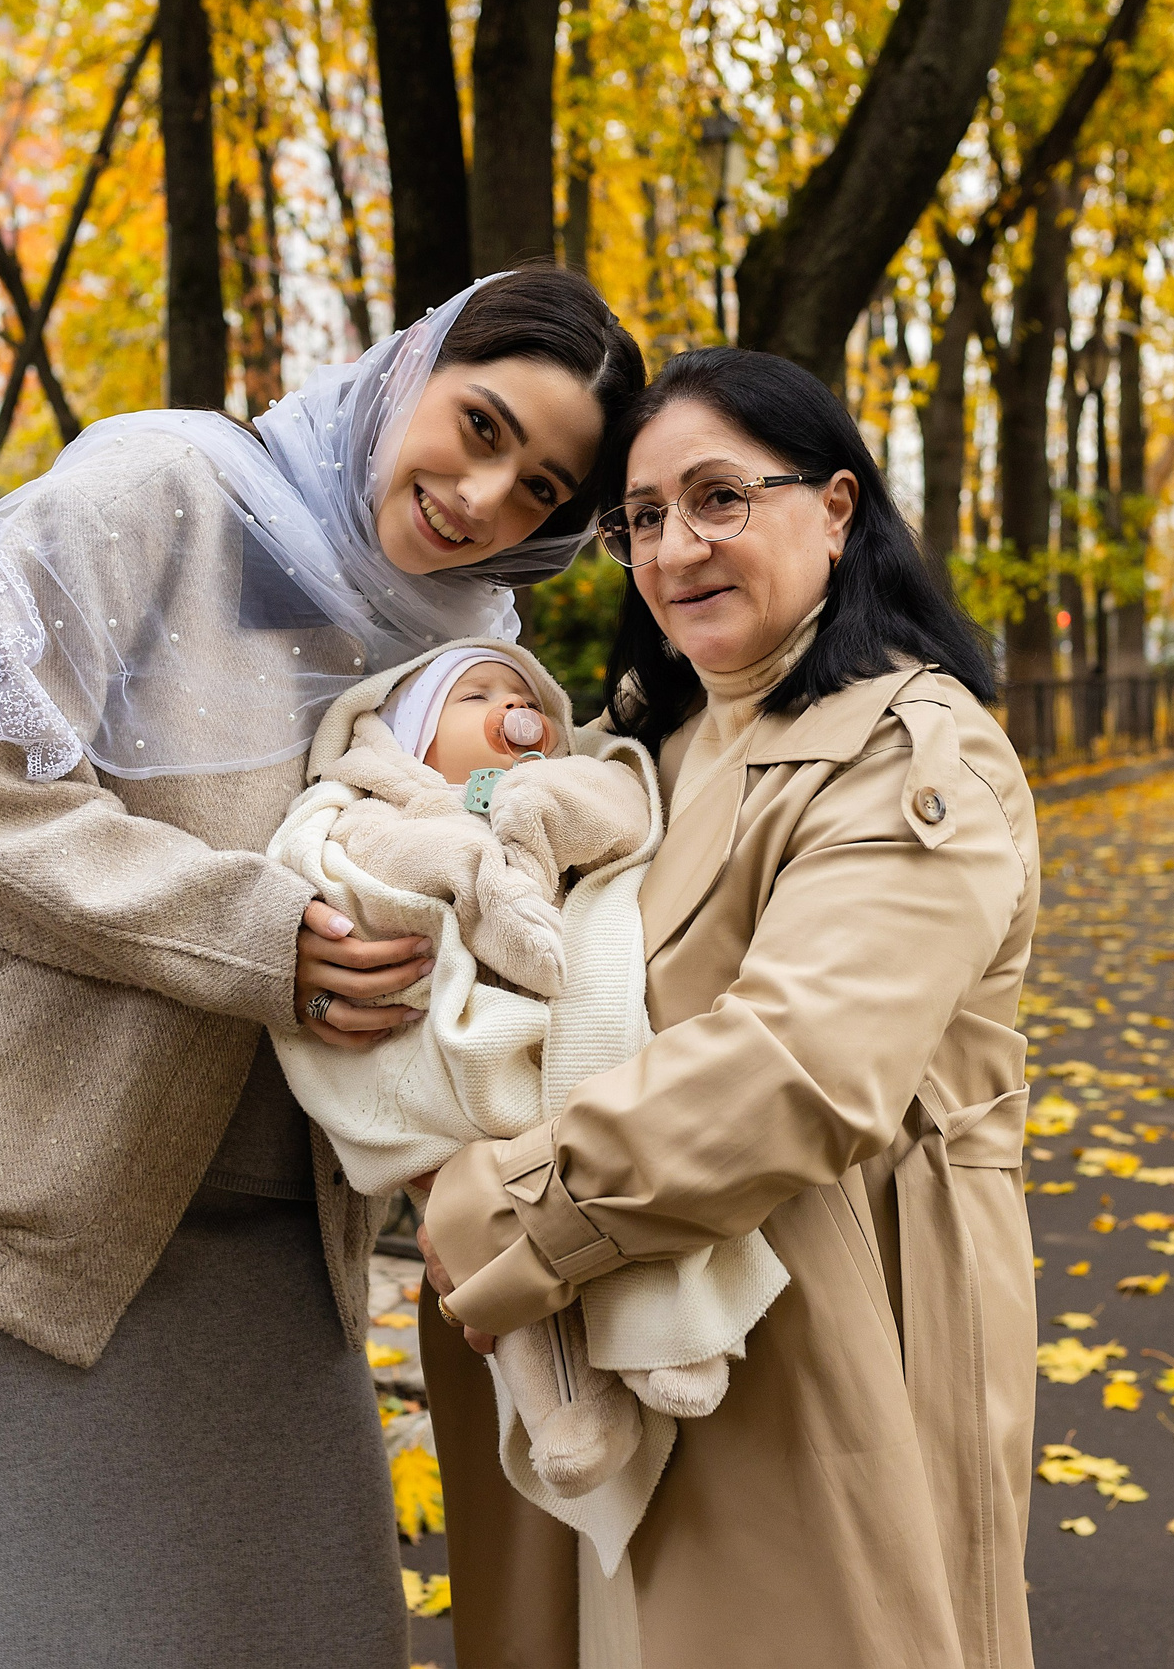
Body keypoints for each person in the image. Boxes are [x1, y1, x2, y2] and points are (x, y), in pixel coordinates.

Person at [0, 267, 644, 1668]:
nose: (489, 501)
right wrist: (259, 936)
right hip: (20, 1201)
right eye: (482, 426)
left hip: (265, 1236)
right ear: (408, 370)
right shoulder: (158, 491)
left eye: (544, 493)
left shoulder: (461, 648)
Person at [418, 347, 1042, 1669]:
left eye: (717, 498)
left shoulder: (910, 753)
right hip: (618, 1318)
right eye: (642, 517)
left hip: (828, 1333)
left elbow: (800, 1066)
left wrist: (509, 1206)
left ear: (834, 508)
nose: (675, 545)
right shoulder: (659, 740)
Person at [265, 638, 786, 1515]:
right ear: (410, 738)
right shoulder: (376, 812)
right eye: (477, 696)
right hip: (443, 1067)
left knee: (609, 1165)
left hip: (564, 1041)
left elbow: (620, 813)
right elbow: (365, 880)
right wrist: (479, 871)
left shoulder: (569, 778)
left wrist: (532, 814)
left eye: (525, 691)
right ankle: (566, 1413)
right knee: (485, 1250)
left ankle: (672, 1331)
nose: (516, 710)